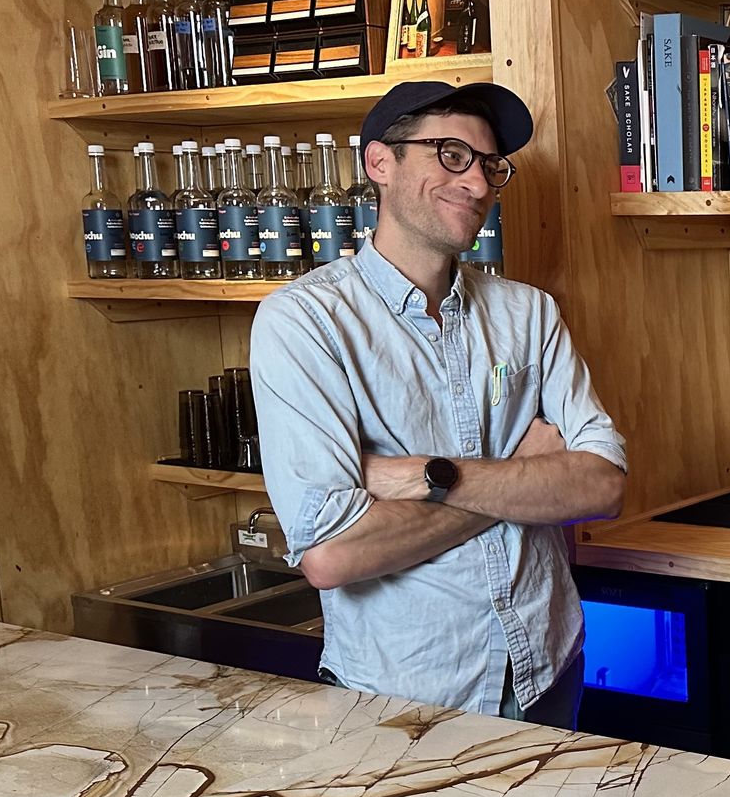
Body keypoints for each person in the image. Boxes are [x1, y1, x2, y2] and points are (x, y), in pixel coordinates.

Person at [249, 81, 626, 727]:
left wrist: (425, 478)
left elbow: (602, 484)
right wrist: (518, 476)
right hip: (401, 696)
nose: (478, 184)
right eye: (450, 155)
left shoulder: (529, 313)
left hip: (548, 670)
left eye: (490, 166)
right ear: (379, 163)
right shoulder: (305, 321)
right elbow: (334, 556)